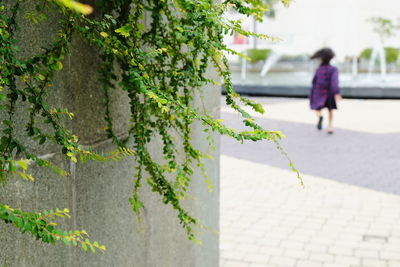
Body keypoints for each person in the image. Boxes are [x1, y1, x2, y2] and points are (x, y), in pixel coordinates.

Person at [309, 48, 342, 134]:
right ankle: (330, 126)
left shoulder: (319, 69)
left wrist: (313, 91)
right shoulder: (333, 69)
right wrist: (336, 92)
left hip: (318, 91)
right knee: (330, 109)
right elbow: (334, 82)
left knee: (317, 108)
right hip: (329, 92)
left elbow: (314, 80)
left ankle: (320, 116)